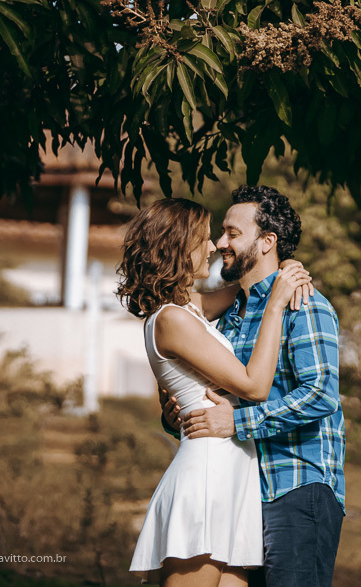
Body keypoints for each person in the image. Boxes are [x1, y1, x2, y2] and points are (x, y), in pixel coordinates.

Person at [117, 198, 312, 587]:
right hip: (207, 471)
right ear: (175, 247)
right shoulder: (171, 320)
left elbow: (247, 286)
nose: (212, 247)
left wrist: (286, 264)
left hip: (233, 471)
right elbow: (255, 385)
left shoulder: (188, 307)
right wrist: (275, 307)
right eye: (202, 239)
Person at [160, 185, 346, 587]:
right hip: (242, 491)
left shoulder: (304, 303)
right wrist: (176, 413)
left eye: (232, 233)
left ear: (267, 243)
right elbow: (213, 398)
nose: (220, 243)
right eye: (221, 233)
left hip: (297, 484)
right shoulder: (228, 315)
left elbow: (320, 394)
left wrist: (237, 423)